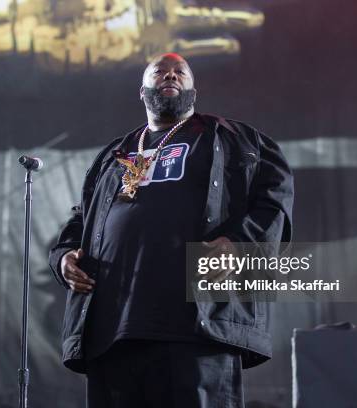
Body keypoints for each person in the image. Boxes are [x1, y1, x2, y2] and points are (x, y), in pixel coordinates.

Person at [48, 53, 294, 408]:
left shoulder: (234, 139)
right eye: (159, 71)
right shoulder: (116, 154)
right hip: (114, 329)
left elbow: (276, 199)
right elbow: (81, 220)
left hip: (194, 326)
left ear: (193, 88)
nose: (171, 75)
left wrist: (241, 243)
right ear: (143, 89)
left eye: (181, 72)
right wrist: (63, 259)